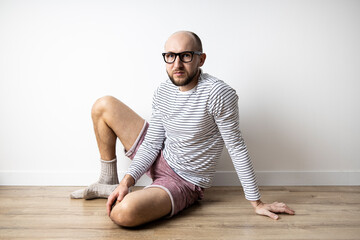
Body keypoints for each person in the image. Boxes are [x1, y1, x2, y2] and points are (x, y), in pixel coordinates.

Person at [70, 31, 295, 227]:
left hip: (183, 180)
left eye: (185, 56)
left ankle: (145, 193)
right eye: (170, 56)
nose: (177, 64)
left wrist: (256, 202)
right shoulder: (163, 90)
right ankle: (108, 183)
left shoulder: (218, 94)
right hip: (160, 156)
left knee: (122, 214)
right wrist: (126, 182)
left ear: (201, 59)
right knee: (104, 105)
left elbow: (236, 147)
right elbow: (151, 143)